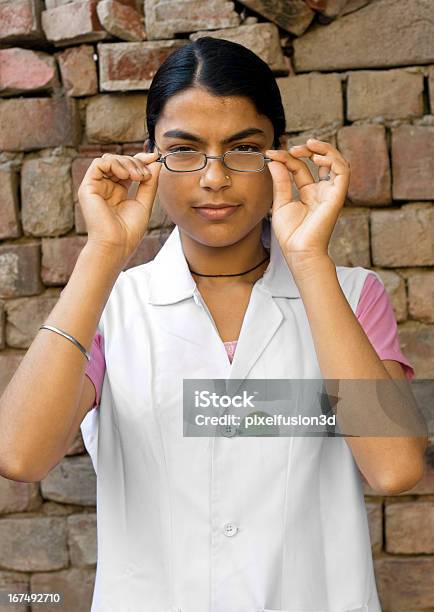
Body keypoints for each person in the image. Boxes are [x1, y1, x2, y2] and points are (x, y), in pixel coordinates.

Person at [0, 37, 427, 612]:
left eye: (243, 149)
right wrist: (104, 251)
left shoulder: (349, 294)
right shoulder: (112, 305)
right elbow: (19, 456)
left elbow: (395, 467)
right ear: (149, 158)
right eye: (184, 150)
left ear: (280, 155)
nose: (214, 177)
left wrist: (307, 260)